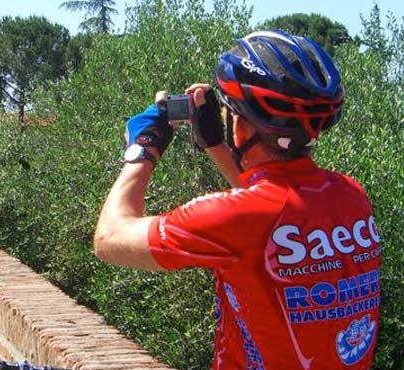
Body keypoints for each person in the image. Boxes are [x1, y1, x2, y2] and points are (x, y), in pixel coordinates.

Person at [94, 30, 381, 369]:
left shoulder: (236, 218)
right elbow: (269, 217)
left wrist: (143, 147)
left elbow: (108, 239)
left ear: (242, 128)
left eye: (229, 111)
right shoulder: (351, 195)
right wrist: (216, 145)